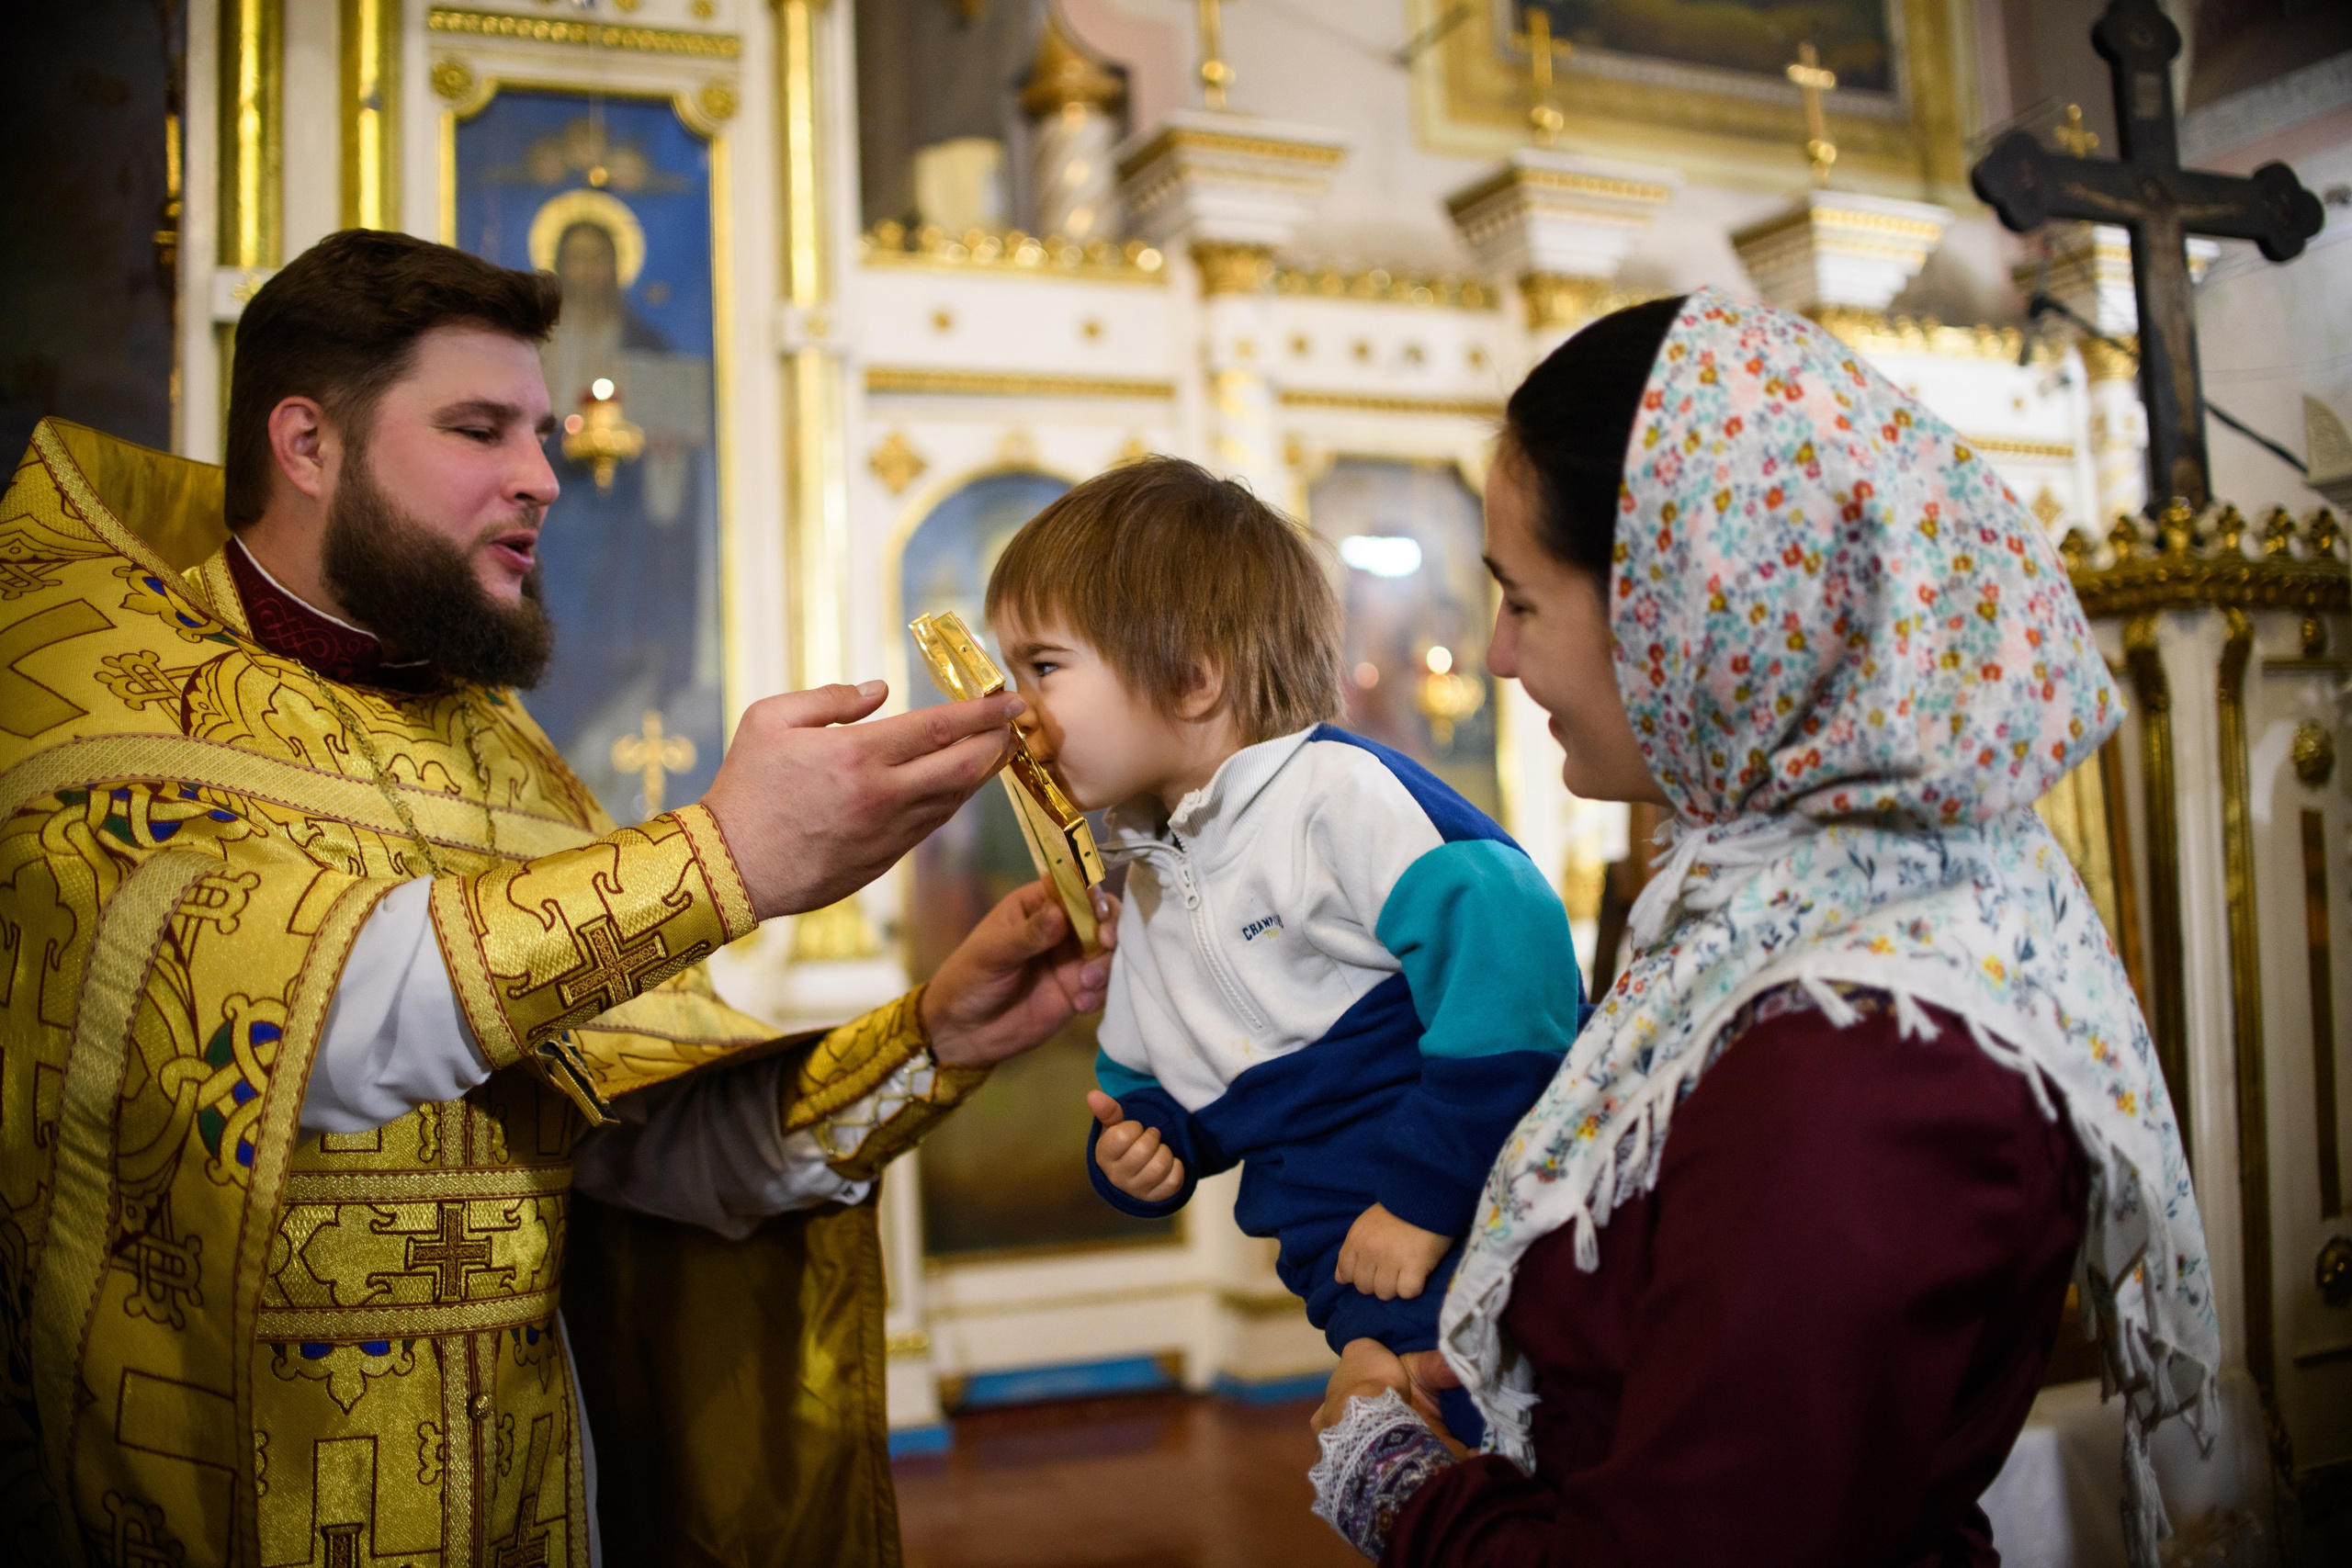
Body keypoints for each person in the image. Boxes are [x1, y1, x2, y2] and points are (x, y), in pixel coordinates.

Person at [0, 229, 1113, 1566]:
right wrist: (727, 856)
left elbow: (632, 1148)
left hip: (531, 1495)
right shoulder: (87, 689)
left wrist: (934, 1034)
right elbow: (293, 1033)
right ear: (307, 444)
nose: (544, 476)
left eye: (540, 431)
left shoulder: (499, 751)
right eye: (480, 428)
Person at [1305, 290, 2213, 1568]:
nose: (1500, 655)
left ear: (1694, 612)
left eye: (1522, 598)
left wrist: (1395, 1479)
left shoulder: (1867, 1051)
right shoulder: (1781, 914)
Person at [983, 457, 1587, 1447]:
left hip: (1475, 1226)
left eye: (1043, 668)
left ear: (1192, 676)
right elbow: (1147, 1079)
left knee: (1529, 1472)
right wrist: (1143, 1148)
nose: (1019, 711)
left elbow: (1512, 961)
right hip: (1350, 1273)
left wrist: (1422, 1198)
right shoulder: (1145, 878)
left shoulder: (1334, 798)